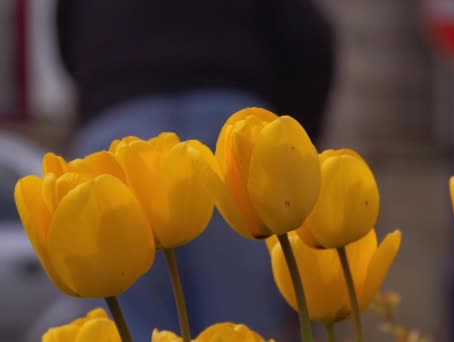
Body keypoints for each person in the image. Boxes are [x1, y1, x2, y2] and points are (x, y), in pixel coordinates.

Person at [50, 1, 335, 340]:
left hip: (115, 124)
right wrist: (294, 140)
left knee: (126, 322)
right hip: (230, 128)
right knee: (239, 324)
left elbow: (65, 36)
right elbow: (309, 38)